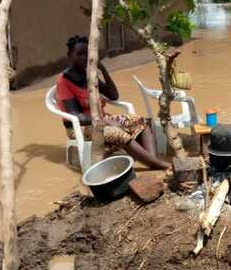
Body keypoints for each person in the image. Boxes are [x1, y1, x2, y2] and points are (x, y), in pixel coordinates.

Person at [56, 35, 170, 170]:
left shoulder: (89, 75)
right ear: (69, 55)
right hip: (79, 127)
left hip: (103, 119)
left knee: (142, 122)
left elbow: (113, 95)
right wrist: (104, 121)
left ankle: (153, 163)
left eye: (86, 54)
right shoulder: (64, 81)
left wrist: (102, 69)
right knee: (116, 132)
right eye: (79, 54)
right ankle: (161, 165)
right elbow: (76, 115)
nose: (84, 58)